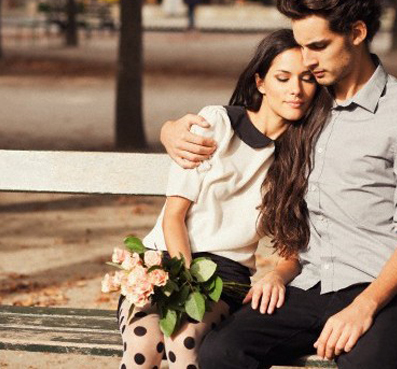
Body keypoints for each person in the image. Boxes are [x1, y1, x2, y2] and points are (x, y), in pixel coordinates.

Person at [160, 0, 397, 368]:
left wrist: (364, 307)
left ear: (357, 34)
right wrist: (169, 131)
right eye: (302, 47)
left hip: (380, 291)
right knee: (220, 352)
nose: (307, 62)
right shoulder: (309, 104)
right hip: (309, 284)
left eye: (318, 46)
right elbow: (242, 119)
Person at [117, 29, 331, 369]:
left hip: (224, 278)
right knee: (144, 345)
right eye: (283, 77)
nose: (296, 89)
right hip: (165, 262)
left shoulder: (302, 158)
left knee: (184, 340)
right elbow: (174, 217)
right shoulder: (216, 123)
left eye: (307, 79)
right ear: (260, 82)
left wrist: (276, 276)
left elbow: (292, 254)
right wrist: (181, 282)